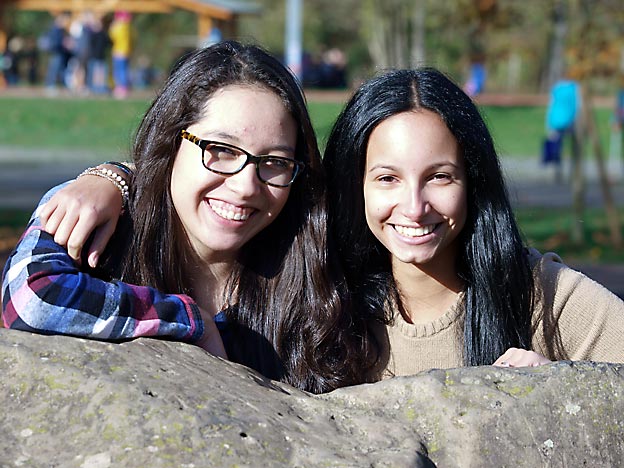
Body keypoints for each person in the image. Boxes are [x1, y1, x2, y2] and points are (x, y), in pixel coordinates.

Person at [1, 41, 381, 393]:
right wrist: (188, 320)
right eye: (221, 149)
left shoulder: (317, 265)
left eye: (274, 162)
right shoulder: (95, 218)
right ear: (170, 140)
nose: (246, 186)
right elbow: (30, 301)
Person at [322, 68, 624, 377]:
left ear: (472, 181)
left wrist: (563, 386)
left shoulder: (540, 295)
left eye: (439, 176)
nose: (414, 208)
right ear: (354, 185)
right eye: (388, 178)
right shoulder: (325, 302)